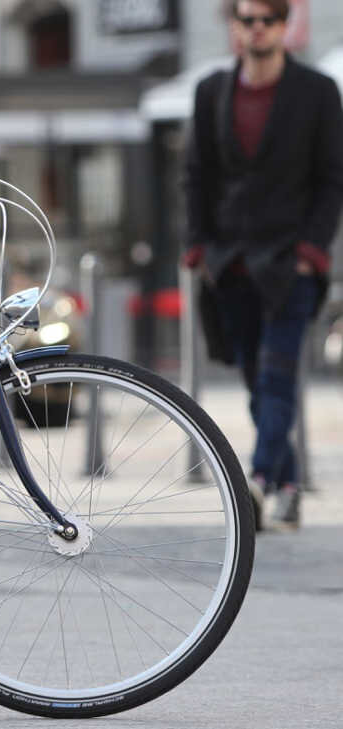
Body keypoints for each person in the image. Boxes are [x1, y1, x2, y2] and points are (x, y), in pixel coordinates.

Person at [183, 0, 343, 529]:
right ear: (234, 26)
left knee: (276, 379)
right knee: (256, 380)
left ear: (284, 26)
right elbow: (196, 175)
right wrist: (200, 248)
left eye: (268, 19)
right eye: (247, 19)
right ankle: (289, 485)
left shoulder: (317, 92)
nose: (257, 28)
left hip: (289, 262)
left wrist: (312, 252)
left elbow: (332, 179)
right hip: (230, 264)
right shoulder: (211, 92)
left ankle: (254, 480)